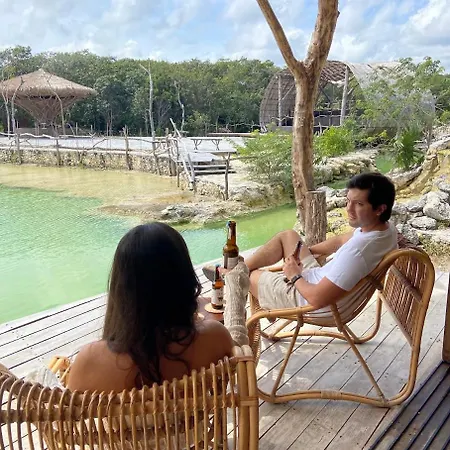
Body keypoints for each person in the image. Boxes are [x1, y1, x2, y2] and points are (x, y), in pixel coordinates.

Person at [205, 172, 398, 345]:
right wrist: (305, 251)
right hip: (317, 280)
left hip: (310, 301)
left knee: (249, 276)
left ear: (379, 209)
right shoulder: (383, 230)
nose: (349, 209)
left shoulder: (358, 253)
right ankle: (237, 272)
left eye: (359, 204)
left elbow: (317, 299)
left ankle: (232, 275)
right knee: (288, 236)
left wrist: (294, 275)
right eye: (348, 201)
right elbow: (340, 240)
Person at [67, 222, 233, 392]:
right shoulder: (216, 338)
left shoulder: (89, 363)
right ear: (185, 282)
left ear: (121, 290)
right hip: (197, 410)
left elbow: (67, 407)